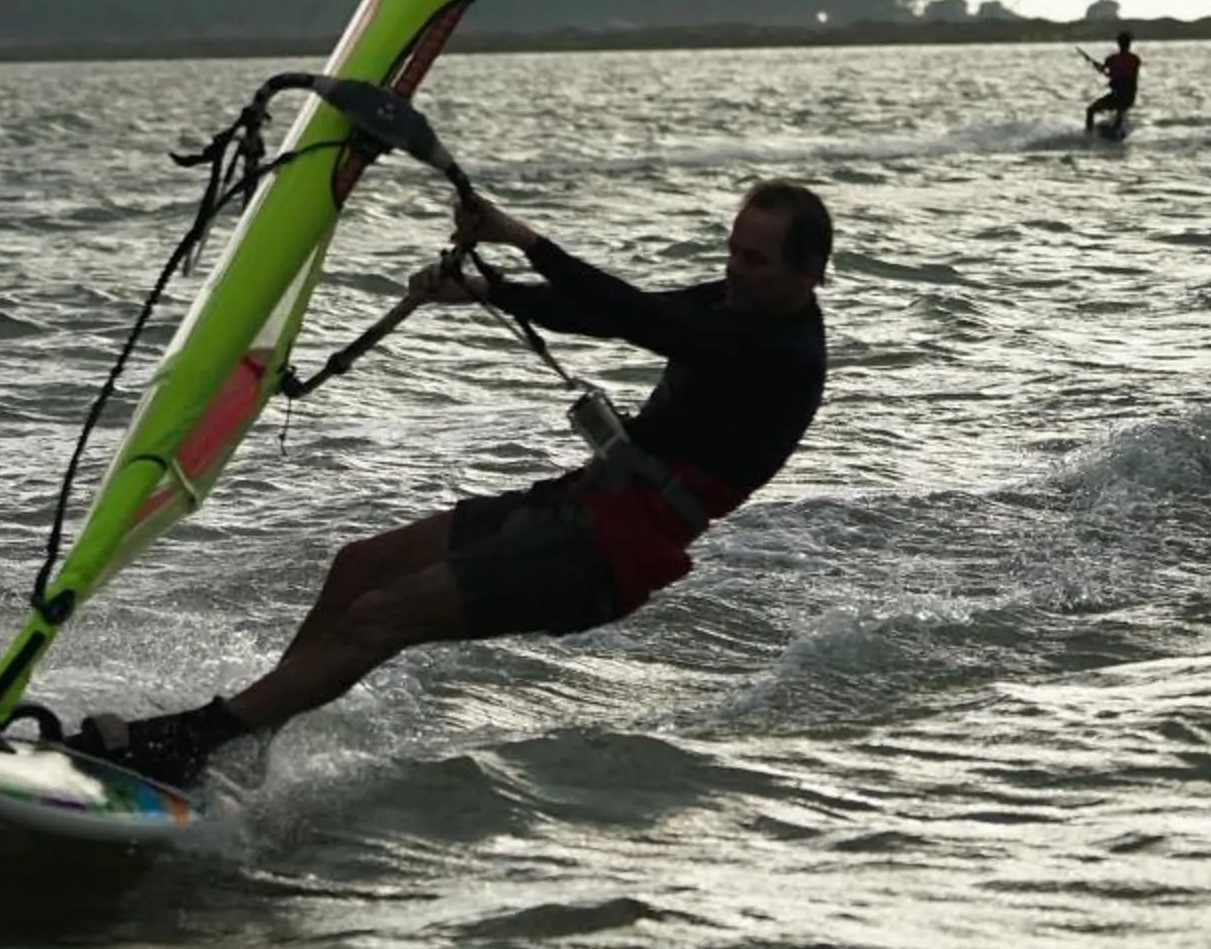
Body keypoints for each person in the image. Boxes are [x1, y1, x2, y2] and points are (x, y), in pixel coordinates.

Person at [67, 179, 834, 790]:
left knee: (379, 615)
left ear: (810, 274)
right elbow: (607, 315)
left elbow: (639, 318)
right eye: (732, 251)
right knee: (359, 566)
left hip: (606, 555)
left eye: (756, 261)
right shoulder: (735, 304)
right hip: (578, 505)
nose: (734, 270)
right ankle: (246, 737)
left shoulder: (780, 351)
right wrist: (489, 290)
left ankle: (193, 740)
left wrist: (521, 237)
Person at [1083, 31, 1142, 135]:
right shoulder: (1128, 59)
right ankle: (1091, 132)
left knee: (1117, 109)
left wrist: (1103, 70)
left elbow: (1116, 75)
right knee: (1091, 110)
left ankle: (1109, 131)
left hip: (1126, 95)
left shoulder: (1126, 59)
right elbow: (1111, 72)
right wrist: (1097, 65)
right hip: (1119, 95)